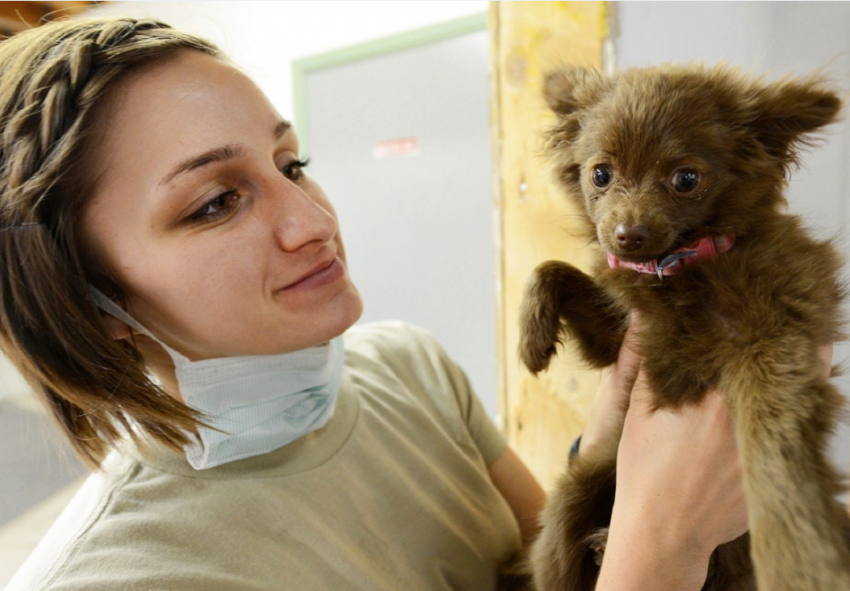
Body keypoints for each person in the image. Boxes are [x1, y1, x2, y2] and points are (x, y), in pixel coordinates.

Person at [0, 16, 759, 591]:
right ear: (89, 302)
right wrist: (660, 550)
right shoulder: (120, 575)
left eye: (291, 163)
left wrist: (605, 457)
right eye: (214, 203)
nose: (313, 220)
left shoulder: (409, 365)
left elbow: (549, 573)